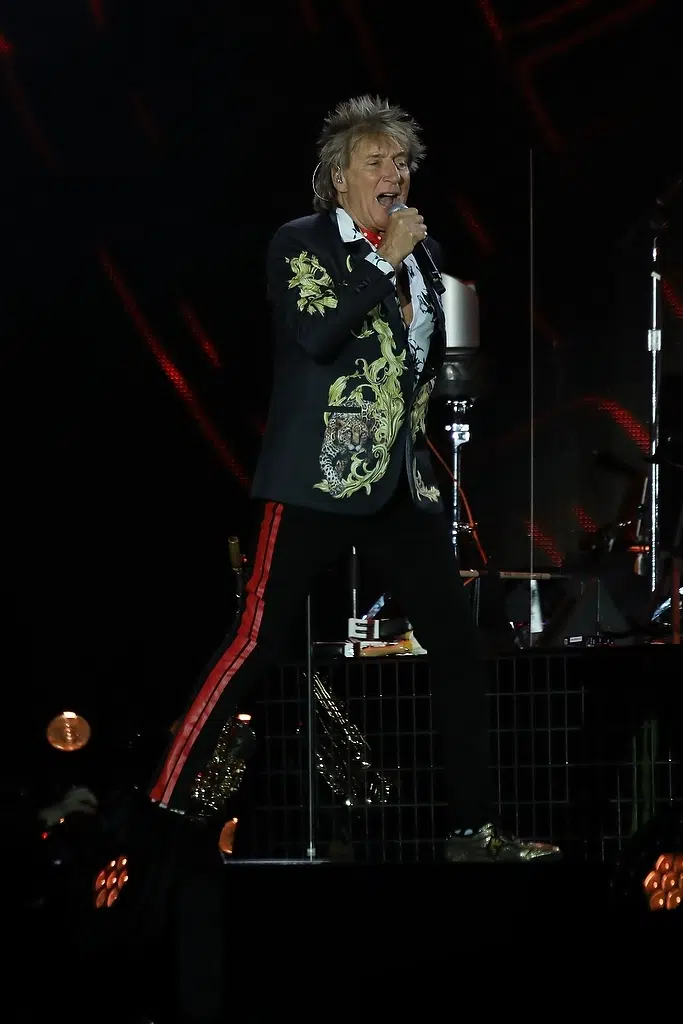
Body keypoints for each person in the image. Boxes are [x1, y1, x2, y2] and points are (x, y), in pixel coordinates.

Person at [148, 95, 561, 863]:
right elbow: (317, 335)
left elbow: (417, 363)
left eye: (401, 162)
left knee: (456, 646)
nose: (393, 174)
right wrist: (383, 261)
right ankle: (158, 807)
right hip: (316, 477)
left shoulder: (426, 256)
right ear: (339, 178)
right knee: (255, 640)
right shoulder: (300, 242)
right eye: (376, 162)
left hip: (399, 484)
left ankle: (472, 830)